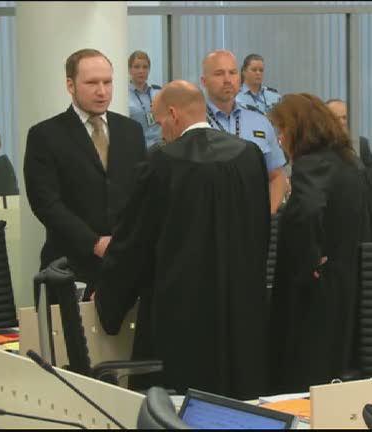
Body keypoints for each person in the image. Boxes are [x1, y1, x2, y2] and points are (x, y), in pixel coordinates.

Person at [93, 80, 271, 400]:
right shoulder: (249, 155)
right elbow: (261, 229)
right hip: (241, 307)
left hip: (180, 313)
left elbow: (135, 241)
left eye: (160, 121)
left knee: (179, 404)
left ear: (173, 115)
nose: (161, 132)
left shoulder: (162, 162)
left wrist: (109, 299)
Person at [268, 93, 372, 393]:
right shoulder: (352, 162)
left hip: (315, 290)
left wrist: (309, 260)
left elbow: (306, 212)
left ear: (299, 128)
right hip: (352, 280)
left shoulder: (311, 164)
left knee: (304, 373)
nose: (280, 139)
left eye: (282, 130)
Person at [24, 49, 146, 304]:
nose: (102, 91)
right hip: (68, 266)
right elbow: (45, 203)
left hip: (124, 266)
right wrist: (93, 242)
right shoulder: (45, 135)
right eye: (92, 83)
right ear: (70, 85)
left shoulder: (131, 131)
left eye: (107, 82)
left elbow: (141, 195)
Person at [201, 49, 288, 214]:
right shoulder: (194, 122)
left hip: (253, 218)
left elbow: (277, 176)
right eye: (219, 74)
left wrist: (267, 215)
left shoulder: (260, 122)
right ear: (204, 81)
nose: (227, 80)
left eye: (232, 73)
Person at [324, 98, 372, 187]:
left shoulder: (360, 144)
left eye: (344, 118)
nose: (341, 122)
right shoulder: (316, 145)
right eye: (336, 118)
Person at [127, 50, 162, 149]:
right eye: (136, 67)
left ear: (149, 70)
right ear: (129, 70)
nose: (141, 71)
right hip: (137, 147)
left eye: (145, 67)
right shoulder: (124, 97)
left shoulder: (158, 93)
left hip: (160, 146)